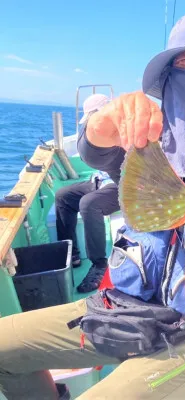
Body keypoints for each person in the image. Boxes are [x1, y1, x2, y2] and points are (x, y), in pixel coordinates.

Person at [1, 11, 185, 400]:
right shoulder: (147, 141)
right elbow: (94, 152)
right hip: (128, 309)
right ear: (170, 77)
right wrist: (97, 126)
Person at [55, 93, 121, 293]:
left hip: (122, 185)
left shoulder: (121, 131)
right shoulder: (94, 137)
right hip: (100, 180)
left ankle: (99, 264)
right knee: (63, 196)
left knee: (89, 203)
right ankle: (71, 253)